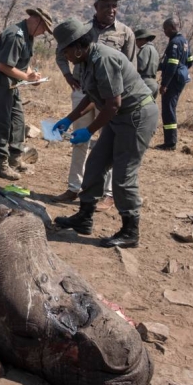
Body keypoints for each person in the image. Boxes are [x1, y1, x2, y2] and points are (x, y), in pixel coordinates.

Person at [51, 18, 158, 248]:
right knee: (96, 163)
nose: (65, 56)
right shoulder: (88, 61)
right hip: (119, 116)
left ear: (78, 47)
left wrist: (89, 130)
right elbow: (92, 95)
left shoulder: (104, 59)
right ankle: (84, 217)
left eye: (66, 51)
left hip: (136, 116)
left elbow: (112, 104)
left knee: (123, 174)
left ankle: (130, 231)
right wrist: (69, 119)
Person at [53, 0, 136, 210]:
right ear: (96, 7)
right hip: (84, 91)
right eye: (106, 5)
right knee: (78, 141)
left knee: (105, 143)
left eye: (114, 5)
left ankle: (106, 194)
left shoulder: (125, 33)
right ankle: (74, 188)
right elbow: (60, 54)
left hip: (109, 97)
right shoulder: (81, 31)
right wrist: (68, 75)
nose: (111, 10)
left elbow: (128, 67)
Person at [0, 8, 54, 180]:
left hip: (12, 83)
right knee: (3, 122)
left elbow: (23, 63)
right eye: (43, 28)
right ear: (35, 20)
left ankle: (14, 159)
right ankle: (0, 164)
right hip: (1, 81)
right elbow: (3, 66)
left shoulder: (27, 36)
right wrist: (27, 78)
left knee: (18, 121)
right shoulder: (15, 35)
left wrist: (32, 76)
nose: (42, 32)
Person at [157, 17, 193, 151]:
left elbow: (172, 65)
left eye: (165, 29)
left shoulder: (174, 43)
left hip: (173, 81)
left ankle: (170, 143)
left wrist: (164, 84)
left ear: (172, 28)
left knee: (168, 110)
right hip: (180, 78)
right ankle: (170, 141)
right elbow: (190, 60)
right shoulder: (184, 41)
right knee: (170, 108)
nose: (164, 32)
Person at [134, 29, 160, 98]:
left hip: (145, 83)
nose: (136, 44)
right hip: (153, 83)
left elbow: (141, 66)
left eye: (136, 41)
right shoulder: (154, 50)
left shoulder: (145, 49)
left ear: (142, 39)